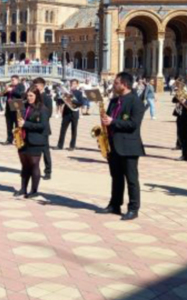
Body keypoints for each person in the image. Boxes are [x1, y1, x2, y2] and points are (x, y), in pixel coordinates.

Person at [96, 71, 145, 221]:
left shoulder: (135, 102)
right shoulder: (113, 101)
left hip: (128, 146)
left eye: (116, 83)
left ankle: (133, 208)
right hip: (113, 144)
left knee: (131, 179)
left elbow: (133, 124)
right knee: (116, 177)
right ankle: (115, 204)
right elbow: (109, 118)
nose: (113, 85)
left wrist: (113, 121)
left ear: (124, 84)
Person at [15, 86, 50, 198]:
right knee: (24, 166)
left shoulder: (43, 109)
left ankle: (34, 191)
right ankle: (23, 189)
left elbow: (43, 126)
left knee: (34, 165)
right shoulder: (24, 106)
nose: (29, 98)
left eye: (31, 96)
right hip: (23, 139)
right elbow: (19, 120)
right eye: (28, 95)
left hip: (36, 140)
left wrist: (26, 124)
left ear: (37, 96)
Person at [31, 78, 54, 179]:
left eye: (36, 85)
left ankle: (48, 171)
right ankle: (34, 170)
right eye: (34, 85)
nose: (35, 87)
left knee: (45, 151)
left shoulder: (47, 98)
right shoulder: (33, 96)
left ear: (42, 86)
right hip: (33, 128)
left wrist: (39, 118)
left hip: (43, 128)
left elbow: (49, 113)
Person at [58, 79, 85, 151]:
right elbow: (60, 102)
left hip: (74, 113)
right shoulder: (66, 92)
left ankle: (72, 146)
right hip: (66, 113)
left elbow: (81, 103)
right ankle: (60, 145)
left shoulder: (79, 93)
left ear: (77, 84)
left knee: (74, 130)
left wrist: (73, 100)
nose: (72, 85)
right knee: (63, 129)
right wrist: (61, 98)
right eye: (71, 83)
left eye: (74, 83)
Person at [3, 75, 25, 145]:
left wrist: (12, 90)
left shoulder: (21, 86)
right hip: (9, 107)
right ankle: (9, 139)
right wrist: (5, 90)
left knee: (17, 124)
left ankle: (18, 140)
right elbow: (3, 94)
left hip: (17, 106)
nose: (12, 81)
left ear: (17, 80)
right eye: (11, 80)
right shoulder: (10, 86)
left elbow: (21, 94)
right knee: (9, 124)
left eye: (13, 80)